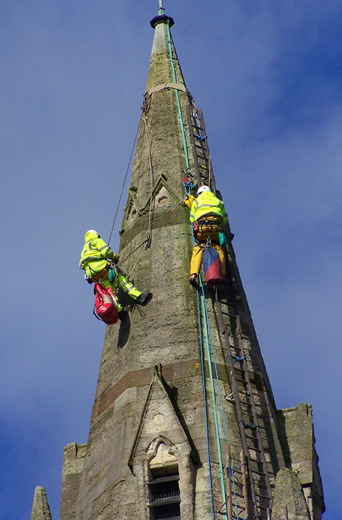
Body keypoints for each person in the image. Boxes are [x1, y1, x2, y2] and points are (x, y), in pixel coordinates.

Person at [79, 230, 151, 319]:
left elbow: (81, 265)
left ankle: (120, 312)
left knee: (110, 290)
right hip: (101, 267)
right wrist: (114, 257)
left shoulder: (84, 249)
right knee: (121, 280)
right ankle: (139, 297)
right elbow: (105, 252)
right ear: (96, 235)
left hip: (93, 275)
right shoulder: (96, 241)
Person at [184, 186, 228, 285]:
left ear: (199, 194)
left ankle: (193, 275)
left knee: (198, 248)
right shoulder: (219, 202)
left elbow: (192, 219)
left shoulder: (196, 201)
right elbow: (225, 219)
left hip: (202, 229)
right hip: (216, 229)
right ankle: (222, 274)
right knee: (219, 248)